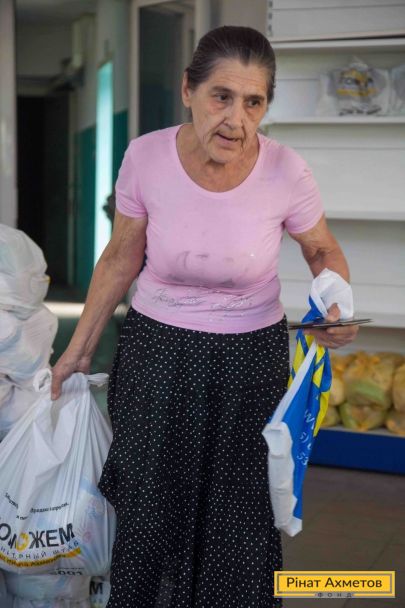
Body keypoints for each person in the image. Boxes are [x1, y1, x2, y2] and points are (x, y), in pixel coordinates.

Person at [51, 25, 358, 608]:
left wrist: (334, 299)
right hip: (157, 354)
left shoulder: (287, 170)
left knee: (238, 512)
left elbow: (321, 249)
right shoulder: (146, 156)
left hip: (249, 360)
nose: (236, 120)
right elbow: (121, 256)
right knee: (149, 505)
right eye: (222, 96)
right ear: (188, 90)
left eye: (254, 102)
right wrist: (78, 351)